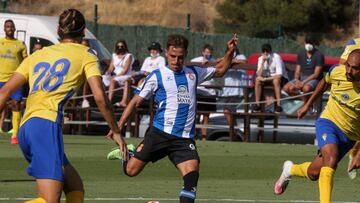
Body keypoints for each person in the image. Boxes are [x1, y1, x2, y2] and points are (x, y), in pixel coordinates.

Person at [0, 9, 127, 203]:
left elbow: (4, 92)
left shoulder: (38, 54)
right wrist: (116, 131)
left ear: (58, 30)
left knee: (75, 186)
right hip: (46, 125)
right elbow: (100, 97)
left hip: (26, 128)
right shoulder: (87, 54)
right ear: (84, 32)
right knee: (49, 199)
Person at [107, 34, 237, 203]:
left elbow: (220, 70)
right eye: (173, 57)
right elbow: (135, 102)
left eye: (180, 57)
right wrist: (117, 128)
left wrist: (230, 51)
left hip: (183, 139)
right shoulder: (156, 76)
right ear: (167, 54)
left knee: (192, 175)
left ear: (185, 55)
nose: (176, 61)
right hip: (159, 134)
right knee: (131, 171)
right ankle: (128, 153)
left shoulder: (193, 73)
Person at [274, 49, 360, 203]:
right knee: (331, 158)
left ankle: (290, 170)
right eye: (348, 65)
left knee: (315, 173)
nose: (348, 70)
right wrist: (308, 104)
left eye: (354, 68)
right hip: (329, 122)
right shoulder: (337, 71)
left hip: (350, 136)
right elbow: (323, 83)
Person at [0, 19, 28, 144]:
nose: (9, 28)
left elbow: (26, 61)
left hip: (15, 79)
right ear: (4, 29)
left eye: (11, 26)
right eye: (7, 26)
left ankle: (15, 135)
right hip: (0, 79)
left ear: (15, 29)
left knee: (16, 104)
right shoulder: (0, 42)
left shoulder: (21, 44)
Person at [282, 35, 324, 103]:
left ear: (314, 44)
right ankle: (304, 99)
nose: (308, 45)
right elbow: (297, 71)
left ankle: (305, 105)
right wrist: (296, 80)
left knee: (306, 88)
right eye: (307, 43)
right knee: (286, 88)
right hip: (301, 78)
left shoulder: (319, 55)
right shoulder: (301, 54)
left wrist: (303, 82)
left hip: (313, 79)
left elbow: (316, 74)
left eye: (310, 43)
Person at [190, 44, 217, 140]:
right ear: (202, 52)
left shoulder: (214, 61)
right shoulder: (195, 60)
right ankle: (194, 135)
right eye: (206, 52)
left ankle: (204, 138)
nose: (207, 54)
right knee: (196, 114)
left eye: (209, 52)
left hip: (210, 92)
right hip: (199, 90)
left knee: (206, 115)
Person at [219, 47, 247, 138]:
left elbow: (244, 62)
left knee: (227, 111)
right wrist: (229, 60)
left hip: (237, 91)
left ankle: (234, 131)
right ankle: (236, 132)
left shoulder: (241, 56)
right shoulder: (226, 57)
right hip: (227, 91)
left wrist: (230, 61)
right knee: (230, 112)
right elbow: (218, 61)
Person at [252, 43, 288, 113]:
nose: (265, 53)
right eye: (263, 51)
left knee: (276, 81)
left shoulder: (276, 57)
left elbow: (279, 75)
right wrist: (263, 62)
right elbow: (258, 74)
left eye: (267, 51)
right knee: (257, 81)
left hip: (280, 78)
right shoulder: (260, 59)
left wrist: (265, 79)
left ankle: (278, 105)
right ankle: (257, 105)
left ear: (271, 51)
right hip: (267, 77)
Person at [106, 39, 134, 107]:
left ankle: (108, 101)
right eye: (118, 46)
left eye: (122, 46)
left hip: (125, 75)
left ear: (125, 47)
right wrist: (108, 73)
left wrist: (114, 77)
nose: (120, 48)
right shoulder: (114, 55)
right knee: (101, 78)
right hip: (116, 75)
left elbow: (125, 70)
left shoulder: (128, 56)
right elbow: (111, 68)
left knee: (113, 80)